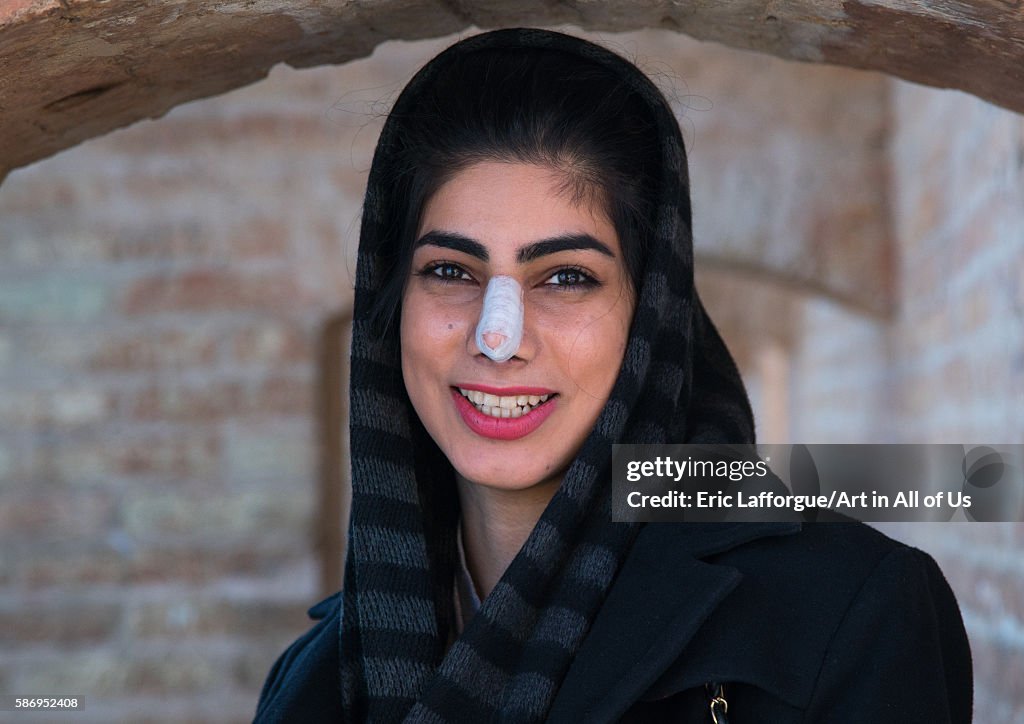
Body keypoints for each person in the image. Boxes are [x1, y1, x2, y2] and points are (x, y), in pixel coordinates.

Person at [255, 28, 972, 723]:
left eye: (567, 277)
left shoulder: (848, 617)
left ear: (649, 316)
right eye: (450, 271)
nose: (496, 339)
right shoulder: (310, 677)